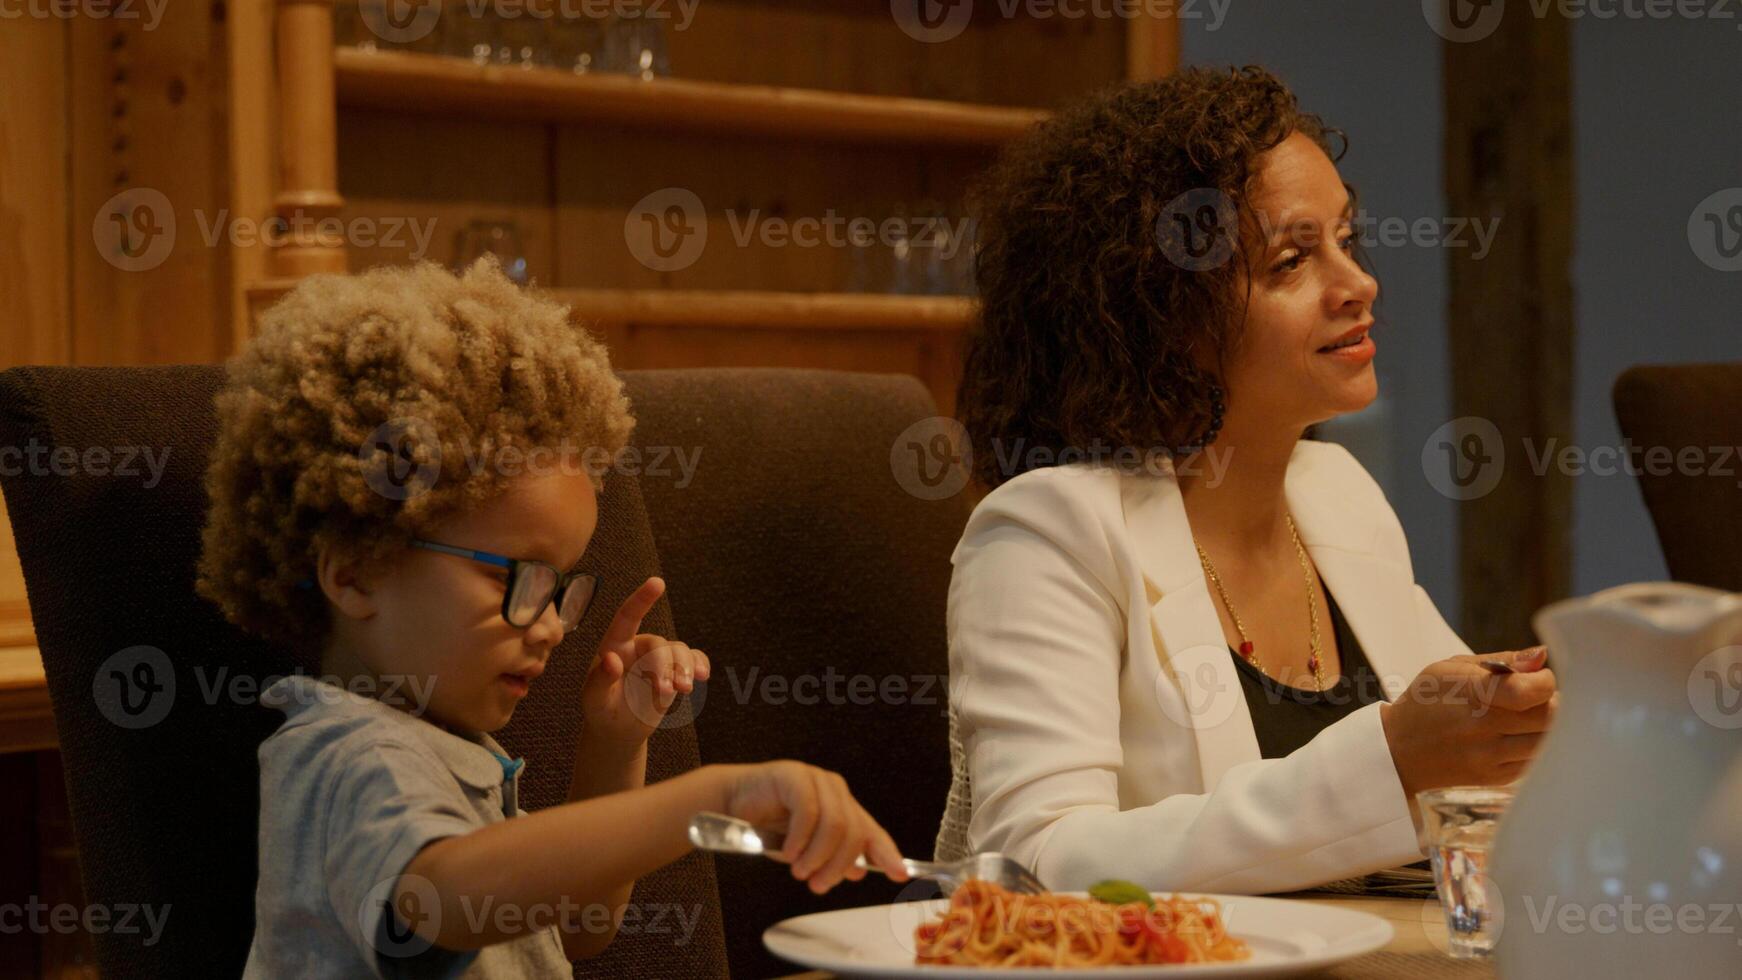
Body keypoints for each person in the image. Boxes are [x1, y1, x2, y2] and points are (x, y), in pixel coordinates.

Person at [933, 66, 1557, 894]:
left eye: (1347, 239)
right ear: (1159, 312)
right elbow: (1035, 866)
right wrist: (1391, 761)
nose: (1359, 283)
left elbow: (1468, 787)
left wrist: (1530, 723)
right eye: (1294, 260)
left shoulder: (1338, 493)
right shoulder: (1048, 533)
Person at [198, 259, 906, 977]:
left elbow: (580, 928)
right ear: (355, 572)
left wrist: (614, 743)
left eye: (558, 587)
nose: (550, 626)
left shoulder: (448, 747)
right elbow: (443, 899)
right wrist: (716, 797)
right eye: (514, 577)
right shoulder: (347, 754)